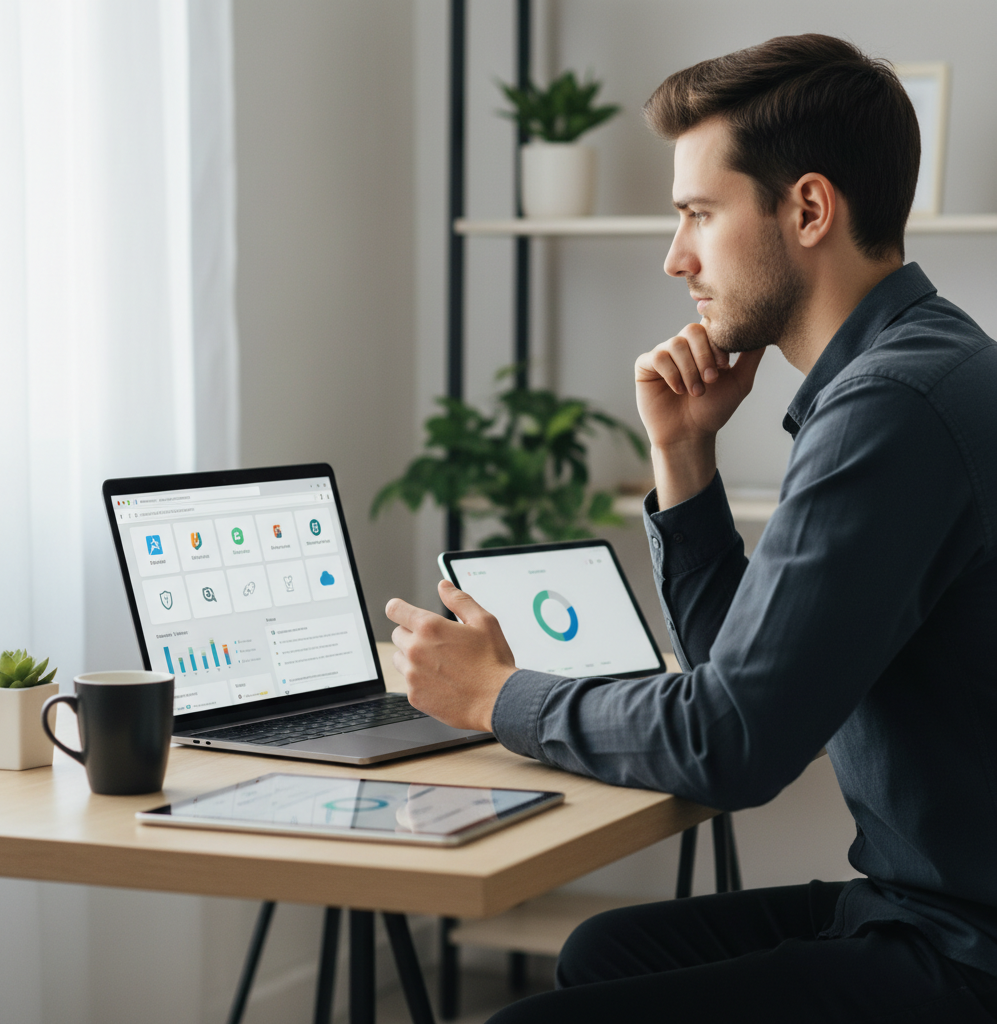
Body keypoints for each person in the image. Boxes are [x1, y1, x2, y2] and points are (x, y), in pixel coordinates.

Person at [386, 33, 997, 1021]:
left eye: (698, 216)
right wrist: (683, 458)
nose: (676, 259)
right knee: (603, 949)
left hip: (961, 951)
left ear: (806, 208)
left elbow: (735, 743)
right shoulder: (921, 366)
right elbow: (745, 683)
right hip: (922, 906)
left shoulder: (891, 407)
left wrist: (499, 694)